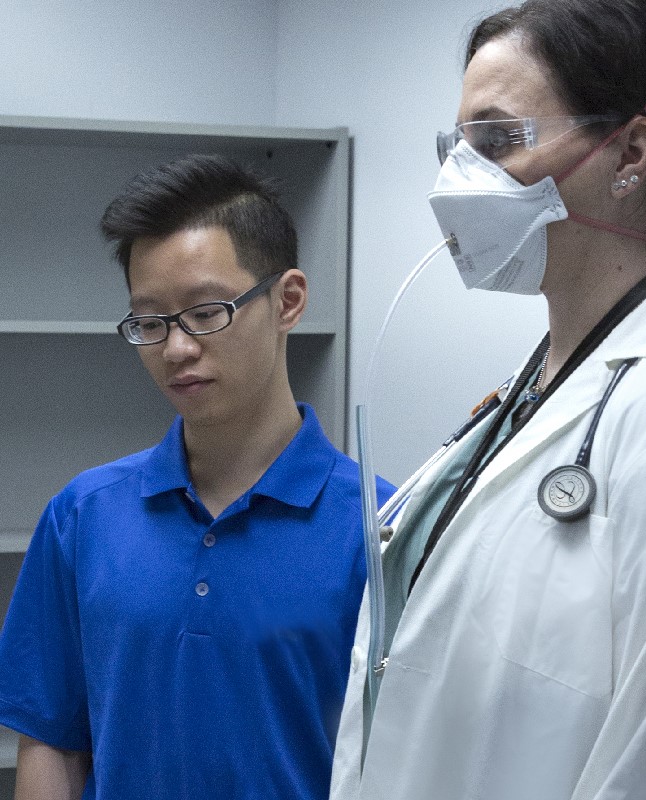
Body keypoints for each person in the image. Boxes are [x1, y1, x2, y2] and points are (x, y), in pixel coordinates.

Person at [331, 1, 646, 798]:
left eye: (499, 139)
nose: (458, 179)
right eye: (457, 145)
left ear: (631, 154)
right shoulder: (541, 390)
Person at [0, 153, 394, 800]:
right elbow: (51, 735)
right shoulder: (83, 515)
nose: (176, 348)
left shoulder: (382, 529)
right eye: (150, 321)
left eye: (207, 311)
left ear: (288, 301)